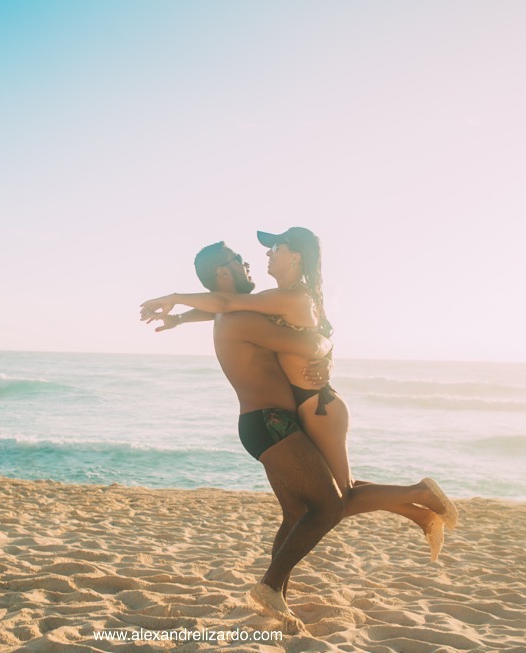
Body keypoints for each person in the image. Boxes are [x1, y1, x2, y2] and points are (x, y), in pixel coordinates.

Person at [139, 241, 458, 630]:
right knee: (329, 507)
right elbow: (305, 343)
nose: (246, 262)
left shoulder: (234, 314)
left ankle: (277, 596)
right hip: (273, 423)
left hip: (264, 425)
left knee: (297, 514)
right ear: (224, 274)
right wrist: (325, 345)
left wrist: (181, 317)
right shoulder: (239, 318)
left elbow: (222, 306)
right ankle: (270, 586)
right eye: (236, 260)